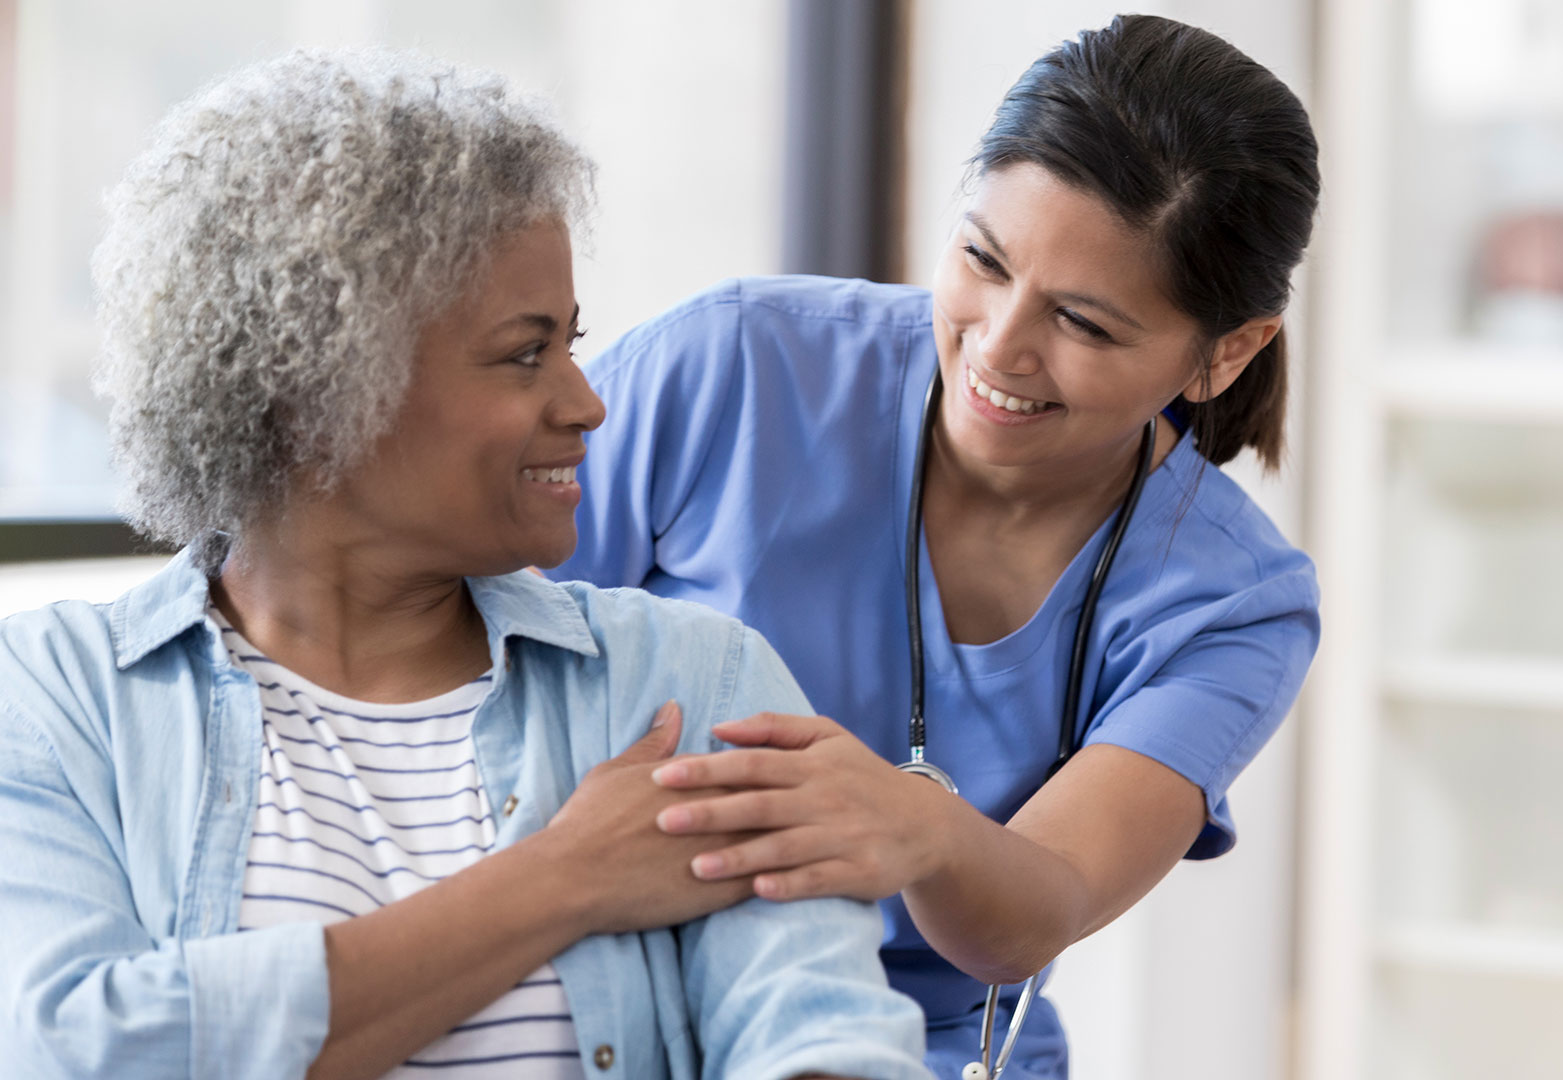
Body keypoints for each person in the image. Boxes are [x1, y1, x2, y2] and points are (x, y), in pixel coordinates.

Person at [0, 49, 930, 1080]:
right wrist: (565, 877)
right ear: (317, 396)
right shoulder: (56, 700)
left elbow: (827, 1040)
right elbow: (79, 1049)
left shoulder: (687, 683)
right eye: (524, 352)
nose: (587, 403)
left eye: (573, 342)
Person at [552, 14, 1321, 1079]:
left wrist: (917, 827)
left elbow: (1027, 916)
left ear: (1224, 353)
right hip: (606, 1001)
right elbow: (462, 653)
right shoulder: (735, 366)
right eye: (981, 260)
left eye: (1085, 325)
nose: (999, 345)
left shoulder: (1235, 603)